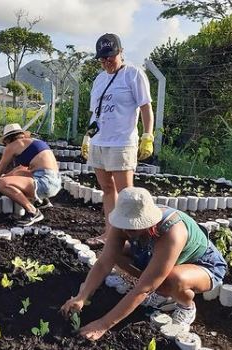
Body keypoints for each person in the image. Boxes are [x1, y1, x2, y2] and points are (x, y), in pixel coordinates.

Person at [60, 187, 227, 340]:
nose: (126, 230)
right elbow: (104, 263)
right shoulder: (123, 223)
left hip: (203, 265)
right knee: (113, 253)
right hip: (156, 256)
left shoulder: (172, 232)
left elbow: (143, 289)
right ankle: (162, 292)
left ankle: (186, 306)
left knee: (171, 279)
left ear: (148, 222)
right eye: (124, 226)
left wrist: (103, 324)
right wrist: (82, 296)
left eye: (132, 228)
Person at [83, 33, 155, 248]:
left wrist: (147, 135)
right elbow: (94, 113)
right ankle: (110, 235)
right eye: (102, 59)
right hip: (100, 141)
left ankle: (135, 239)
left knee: (127, 195)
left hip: (122, 142)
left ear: (120, 52)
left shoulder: (133, 75)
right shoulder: (99, 79)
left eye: (110, 57)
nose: (106, 62)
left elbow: (145, 107)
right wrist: (87, 137)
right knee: (107, 189)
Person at [0, 123, 61, 226]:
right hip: (55, 181)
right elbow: (19, 170)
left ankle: (33, 211)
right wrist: (8, 177)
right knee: (18, 173)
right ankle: (43, 201)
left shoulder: (12, 146)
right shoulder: (34, 143)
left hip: (45, 183)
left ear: (7, 139)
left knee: (1, 183)